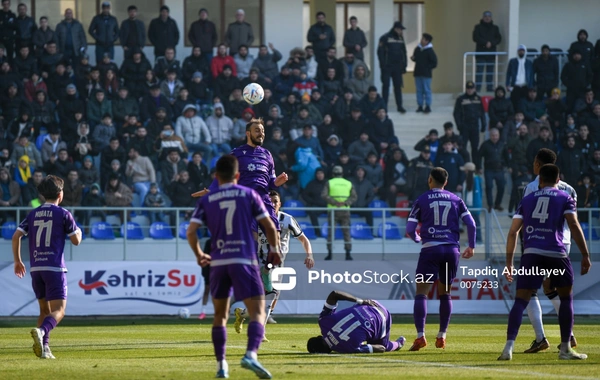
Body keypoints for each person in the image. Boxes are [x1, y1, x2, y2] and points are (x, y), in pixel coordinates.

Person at [186, 154, 281, 379]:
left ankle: (221, 365)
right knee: (258, 311)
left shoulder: (206, 200)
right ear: (238, 175)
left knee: (220, 315)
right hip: (244, 260)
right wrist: (275, 249)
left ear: (216, 176)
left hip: (218, 262)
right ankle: (250, 354)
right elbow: (268, 224)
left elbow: (190, 231)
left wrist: (200, 254)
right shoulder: (249, 194)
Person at [499, 164, 590, 361]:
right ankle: (565, 348)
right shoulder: (565, 197)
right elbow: (574, 225)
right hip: (557, 252)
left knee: (521, 300)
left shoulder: (528, 199)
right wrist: (585, 254)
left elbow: (513, 231)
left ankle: (508, 348)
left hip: (532, 252)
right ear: (559, 180)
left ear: (539, 180)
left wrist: (509, 263)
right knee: (565, 299)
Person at [12, 175, 83, 360]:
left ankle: (45, 349)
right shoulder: (64, 214)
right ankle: (43, 331)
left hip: (36, 269)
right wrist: (80, 232)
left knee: (44, 310)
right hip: (55, 268)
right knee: (59, 310)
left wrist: (18, 261)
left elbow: (16, 236)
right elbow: (76, 241)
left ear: (43, 195)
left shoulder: (33, 213)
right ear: (60, 194)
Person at [405, 167, 476, 351]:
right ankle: (442, 335)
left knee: (422, 293)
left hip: (430, 250)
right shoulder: (456, 199)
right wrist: (472, 246)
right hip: (451, 250)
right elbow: (471, 224)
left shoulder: (421, 199)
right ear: (446, 182)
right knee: (445, 293)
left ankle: (421, 336)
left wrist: (417, 238)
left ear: (430, 180)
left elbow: (410, 228)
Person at [520, 148, 579, 354]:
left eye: (534, 162)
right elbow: (571, 219)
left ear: (538, 165)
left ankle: (540, 338)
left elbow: (526, 217)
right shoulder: (570, 189)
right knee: (552, 288)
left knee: (529, 290)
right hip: (564, 243)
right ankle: (568, 333)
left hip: (540, 242)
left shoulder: (531, 188)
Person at [193, 118, 289, 237]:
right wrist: (212, 190)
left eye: (263, 131)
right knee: (251, 238)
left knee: (275, 237)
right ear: (248, 133)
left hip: (264, 199)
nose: (261, 134)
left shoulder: (267, 154)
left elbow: (271, 182)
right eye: (257, 130)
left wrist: (277, 182)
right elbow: (223, 173)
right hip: (245, 200)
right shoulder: (236, 153)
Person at [235, 190, 315, 329]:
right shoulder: (258, 220)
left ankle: (243, 314)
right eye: (269, 202)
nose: (272, 204)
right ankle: (261, 330)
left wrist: (309, 255)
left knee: (270, 296)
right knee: (268, 294)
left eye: (275, 202)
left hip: (278, 263)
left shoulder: (287, 219)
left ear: (280, 204)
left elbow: (303, 239)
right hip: (260, 261)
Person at [306, 290, 406, 354]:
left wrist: (359, 345)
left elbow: (381, 348)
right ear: (319, 337)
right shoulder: (323, 321)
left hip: (383, 317)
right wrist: (361, 301)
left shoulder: (347, 349)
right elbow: (335, 294)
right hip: (371, 304)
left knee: (385, 345)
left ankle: (398, 344)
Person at [321, 165, 357, 261]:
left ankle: (330, 254)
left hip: (333, 210)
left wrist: (335, 203)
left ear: (333, 174)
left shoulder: (329, 182)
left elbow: (324, 195)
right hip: (345, 210)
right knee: (346, 232)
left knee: (331, 233)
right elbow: (354, 197)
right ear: (342, 173)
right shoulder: (348, 183)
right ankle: (348, 254)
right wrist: (345, 203)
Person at [377, 21, 407, 113]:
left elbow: (404, 52)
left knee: (398, 86)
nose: (401, 31)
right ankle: (384, 106)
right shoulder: (385, 37)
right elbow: (380, 52)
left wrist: (404, 65)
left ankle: (400, 106)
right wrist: (383, 65)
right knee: (386, 86)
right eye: (400, 29)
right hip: (387, 66)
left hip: (397, 67)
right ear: (396, 29)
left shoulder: (400, 38)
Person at [453, 81, 485, 163]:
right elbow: (456, 113)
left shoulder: (478, 99)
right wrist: (459, 125)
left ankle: (476, 166)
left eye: (471, 88)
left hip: (475, 126)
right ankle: (464, 164)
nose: (470, 90)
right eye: (468, 88)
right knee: (462, 147)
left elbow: (482, 113)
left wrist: (483, 124)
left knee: (475, 147)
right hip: (465, 126)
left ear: (474, 89)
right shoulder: (461, 99)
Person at [477, 128, 506, 212]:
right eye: (493, 135)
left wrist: (508, 166)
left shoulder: (502, 144)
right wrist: (479, 167)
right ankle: (490, 205)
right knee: (489, 187)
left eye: (496, 135)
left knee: (501, 187)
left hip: (500, 169)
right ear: (490, 136)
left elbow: (506, 156)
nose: (495, 137)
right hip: (489, 170)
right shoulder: (485, 144)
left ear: (499, 135)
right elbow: (479, 156)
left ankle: (497, 204)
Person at [472, 11, 501, 92]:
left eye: (489, 16)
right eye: (485, 16)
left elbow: (498, 39)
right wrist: (485, 43)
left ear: (491, 18)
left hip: (491, 54)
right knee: (479, 72)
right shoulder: (478, 27)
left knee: (490, 72)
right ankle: (477, 89)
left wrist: (491, 43)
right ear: (483, 17)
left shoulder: (495, 28)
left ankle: (489, 88)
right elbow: (475, 38)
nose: (487, 18)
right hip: (481, 53)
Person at [411, 33, 437, 113]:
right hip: (418, 73)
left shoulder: (430, 51)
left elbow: (434, 63)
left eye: (423, 39)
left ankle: (428, 105)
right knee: (419, 90)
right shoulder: (418, 49)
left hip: (426, 74)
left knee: (426, 90)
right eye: (422, 39)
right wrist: (413, 58)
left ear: (427, 41)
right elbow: (416, 58)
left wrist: (427, 67)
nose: (421, 40)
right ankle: (420, 105)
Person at [506, 45, 534, 112]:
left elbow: (531, 75)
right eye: (520, 51)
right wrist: (507, 84)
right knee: (514, 104)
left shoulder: (529, 62)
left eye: (522, 51)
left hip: (525, 86)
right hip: (515, 86)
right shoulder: (512, 61)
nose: (521, 52)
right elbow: (508, 73)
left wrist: (531, 86)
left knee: (525, 104)